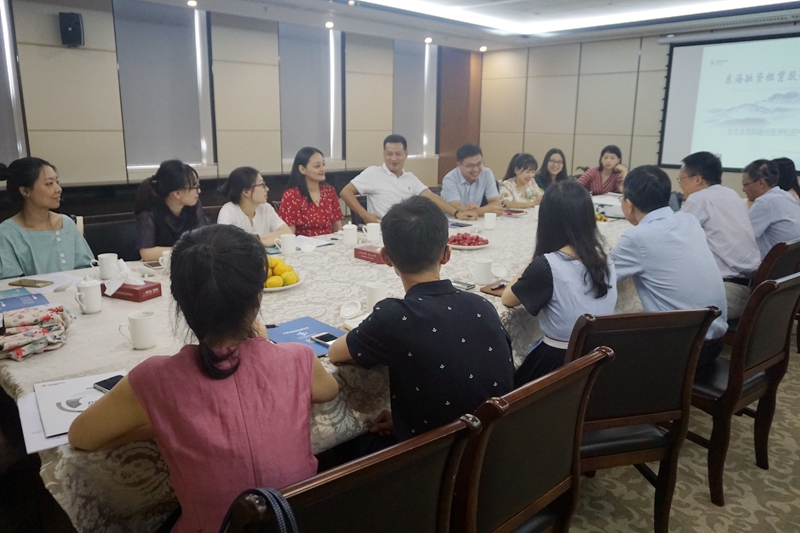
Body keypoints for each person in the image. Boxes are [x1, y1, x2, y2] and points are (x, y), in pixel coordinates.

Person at [68, 224, 339, 533]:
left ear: (180, 302)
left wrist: (166, 423)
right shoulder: (297, 358)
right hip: (295, 522)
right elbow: (329, 390)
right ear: (258, 297)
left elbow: (81, 436)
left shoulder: (154, 378)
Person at [328, 196, 513, 450]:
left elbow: (335, 353)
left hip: (434, 461)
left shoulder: (394, 317)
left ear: (386, 258)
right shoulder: (483, 305)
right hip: (494, 446)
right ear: (447, 254)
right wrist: (404, 420)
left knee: (345, 446)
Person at [611, 165, 728, 368]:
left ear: (628, 205)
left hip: (681, 352)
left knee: (602, 343)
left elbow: (601, 276)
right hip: (715, 341)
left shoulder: (637, 237)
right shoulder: (689, 221)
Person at [502, 181, 617, 386]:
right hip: (599, 360)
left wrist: (529, 265)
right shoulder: (606, 260)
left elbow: (508, 299)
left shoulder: (548, 264)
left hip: (558, 365)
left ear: (547, 221)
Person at [678, 152, 760, 320]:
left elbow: (675, 240)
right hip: (747, 291)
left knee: (654, 302)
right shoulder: (732, 195)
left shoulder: (699, 199)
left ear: (697, 179)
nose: (680, 185)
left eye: (681, 179)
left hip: (723, 294)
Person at [339, 134, 477, 222]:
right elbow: (346, 192)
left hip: (410, 231)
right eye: (389, 154)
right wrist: (364, 214)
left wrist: (457, 213)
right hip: (384, 232)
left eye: (398, 154)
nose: (393, 158)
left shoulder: (410, 178)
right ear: (384, 154)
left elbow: (431, 197)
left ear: (406, 154)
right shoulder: (373, 173)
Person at [0, 158, 93, 279]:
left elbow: (87, 268)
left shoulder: (66, 223)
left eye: (57, 182)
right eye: (49, 183)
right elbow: (10, 282)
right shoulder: (7, 232)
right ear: (25, 191)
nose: (58, 189)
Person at [134, 160, 206, 261]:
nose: (199, 191)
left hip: (187, 263)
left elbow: (203, 240)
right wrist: (184, 249)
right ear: (177, 193)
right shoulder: (149, 210)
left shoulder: (194, 205)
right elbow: (146, 253)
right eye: (195, 187)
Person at [217, 166, 292, 246]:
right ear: (246, 192)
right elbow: (227, 243)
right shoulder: (228, 211)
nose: (267, 189)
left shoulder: (265, 208)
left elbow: (287, 233)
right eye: (262, 185)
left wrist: (258, 240)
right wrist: (264, 241)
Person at [278, 147, 344, 236]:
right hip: (305, 243)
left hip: (330, 242)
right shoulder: (292, 195)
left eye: (323, 165)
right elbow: (289, 234)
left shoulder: (329, 191)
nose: (322, 169)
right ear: (302, 169)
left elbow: (337, 227)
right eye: (317, 166)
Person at [743, 159, 800, 258]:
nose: (743, 189)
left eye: (745, 185)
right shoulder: (786, 196)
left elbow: (743, 236)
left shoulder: (765, 202)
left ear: (761, 182)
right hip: (789, 262)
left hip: (769, 264)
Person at [441, 143, 506, 217]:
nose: (475, 169)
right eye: (470, 166)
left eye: (479, 164)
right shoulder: (450, 179)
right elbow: (456, 208)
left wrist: (476, 210)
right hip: (454, 220)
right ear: (459, 165)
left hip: (476, 219)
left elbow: (495, 202)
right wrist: (486, 210)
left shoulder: (486, 173)